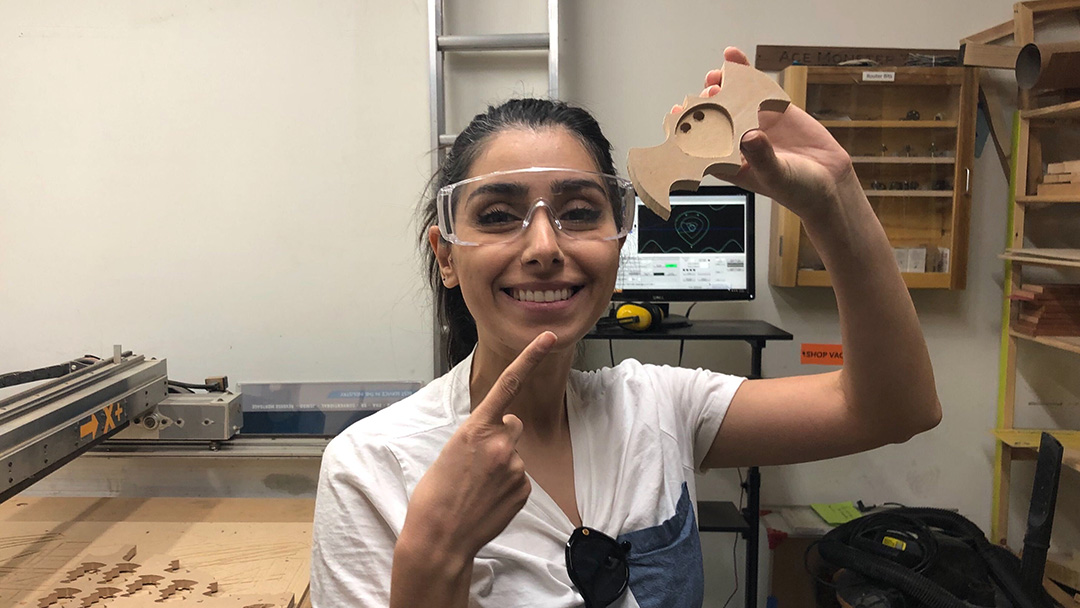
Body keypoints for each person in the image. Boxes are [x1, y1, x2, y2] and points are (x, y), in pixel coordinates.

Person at [310, 47, 941, 608]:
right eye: (499, 216)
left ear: (620, 245)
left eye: (579, 212)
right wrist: (436, 552)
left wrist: (834, 197)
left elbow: (892, 408)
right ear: (446, 255)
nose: (543, 246)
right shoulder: (372, 469)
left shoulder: (658, 408)